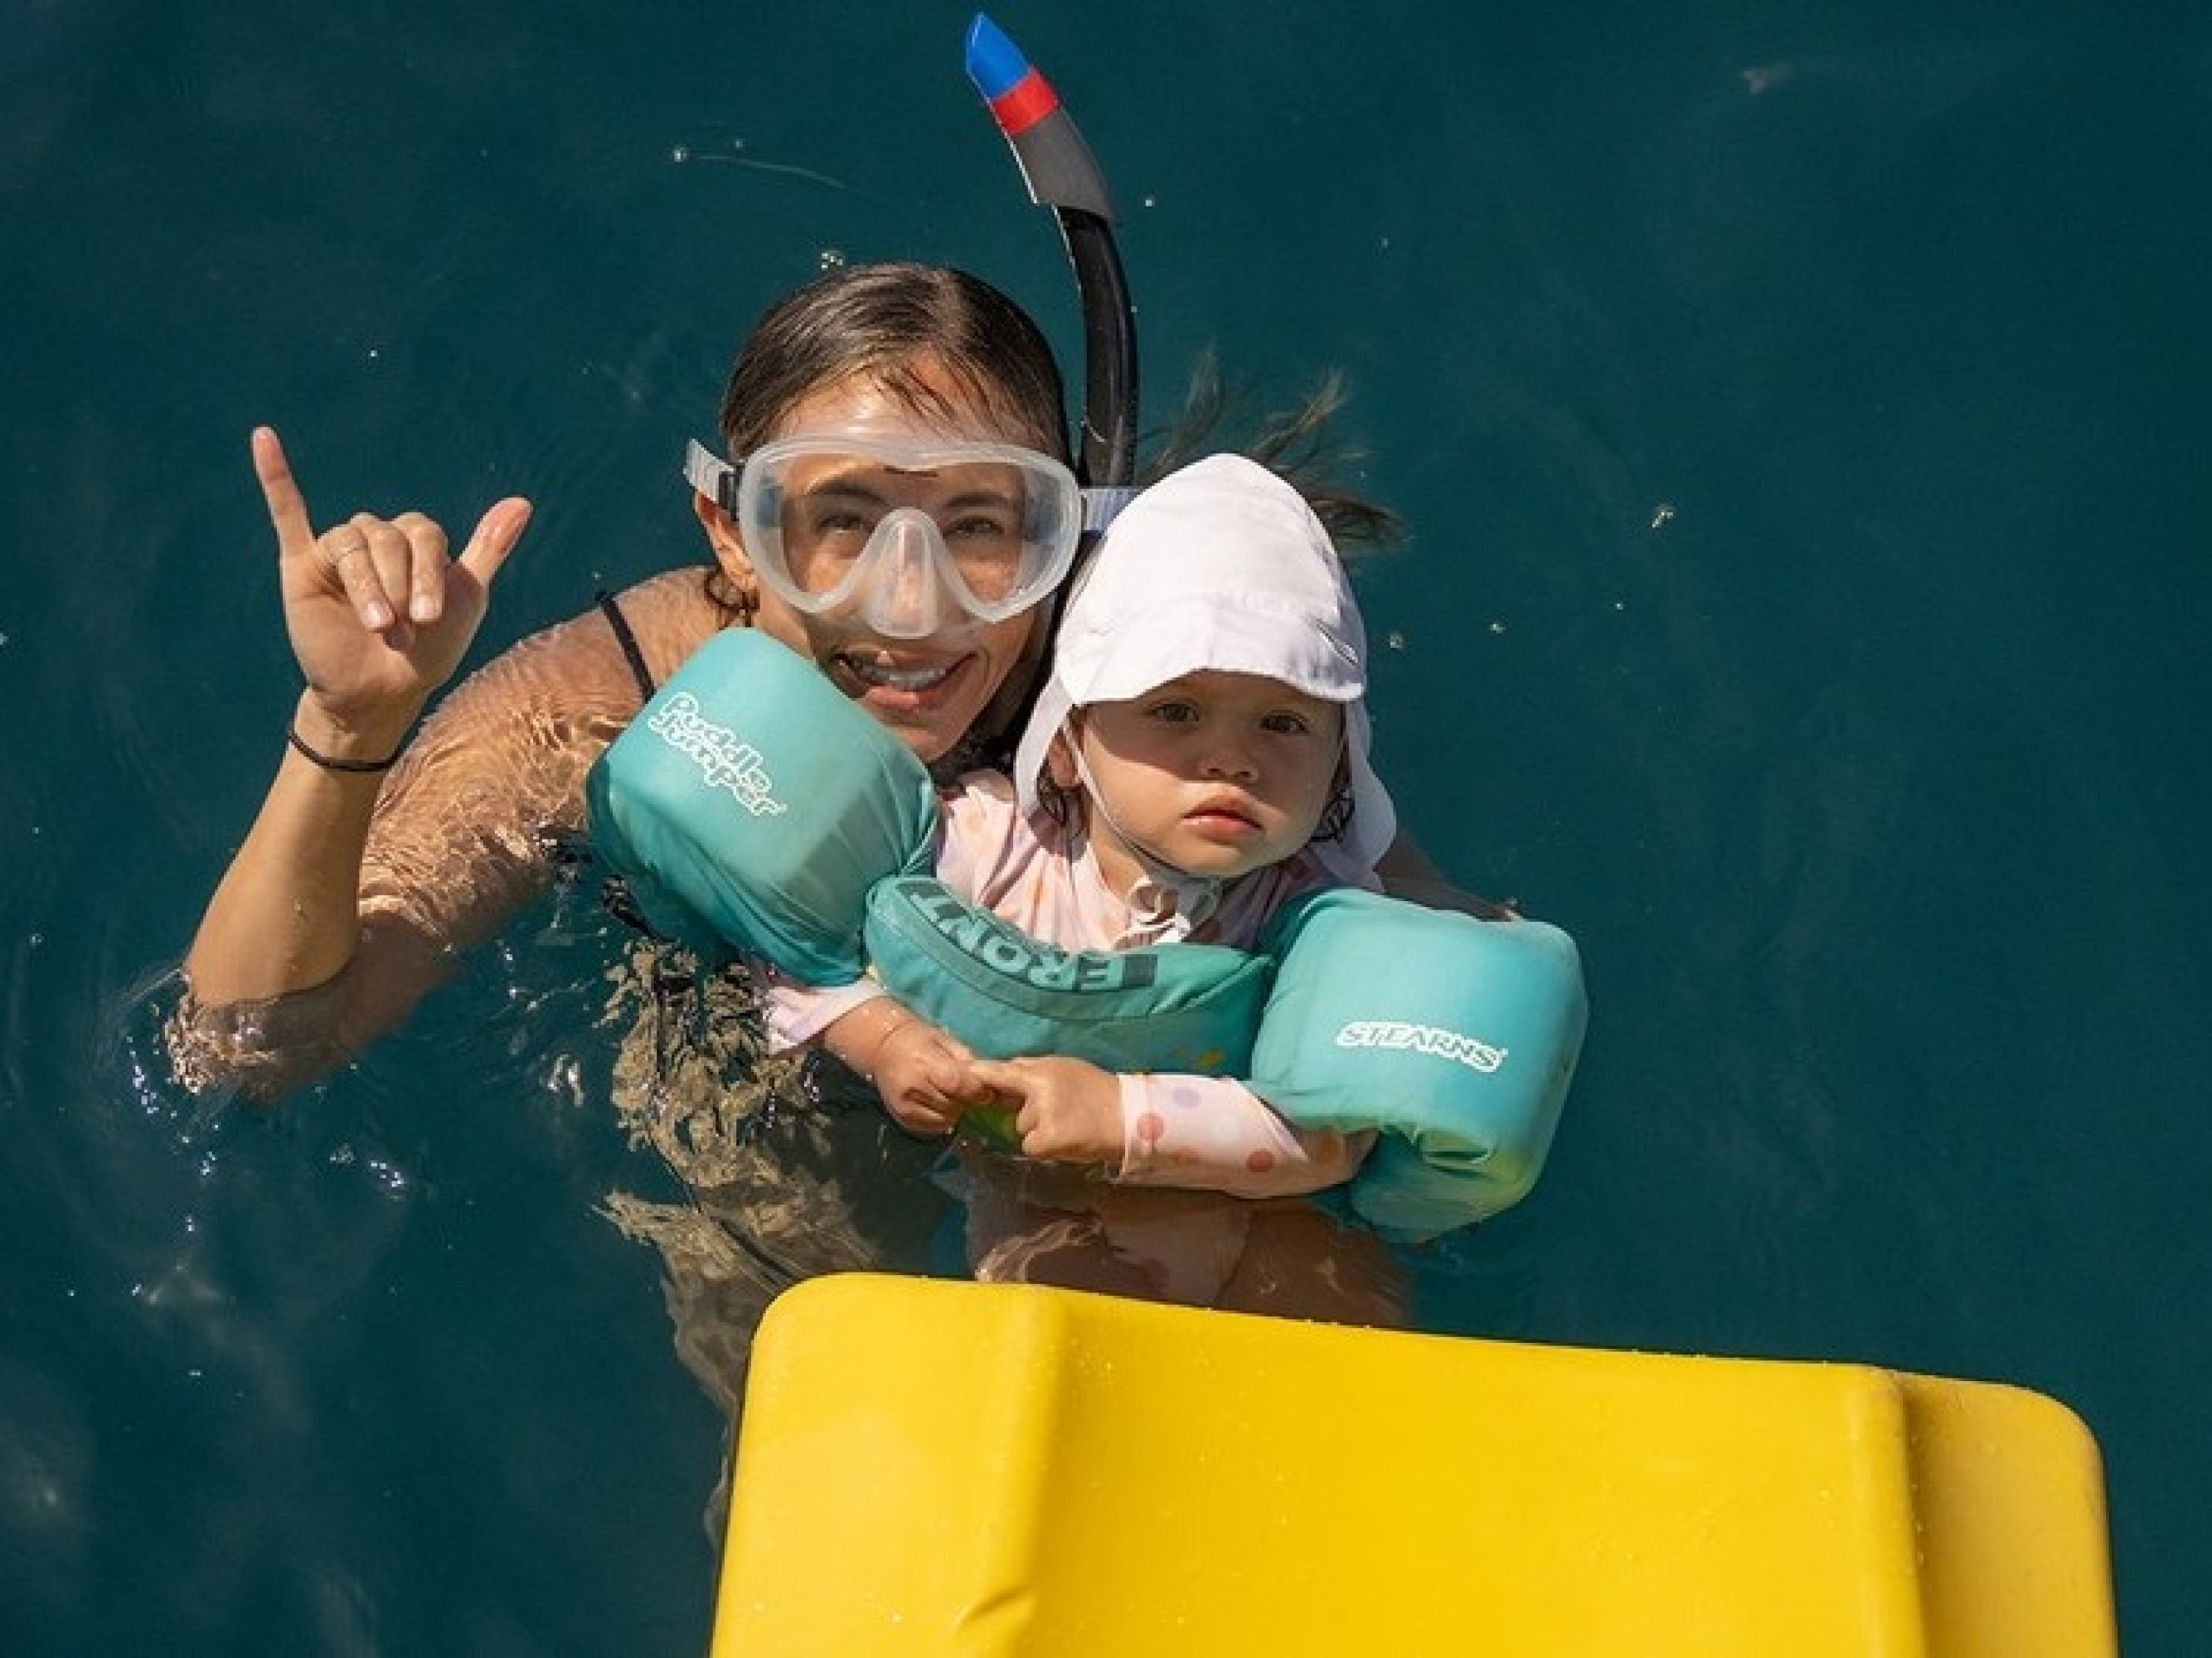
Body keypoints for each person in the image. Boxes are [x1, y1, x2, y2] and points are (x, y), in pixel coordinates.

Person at [167, 260, 1458, 1420]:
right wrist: (348, 726)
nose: (911, 608)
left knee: (1309, 1289)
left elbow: (1409, 964)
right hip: (768, 1075)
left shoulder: (1147, 675)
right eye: (837, 521)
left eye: (980, 524)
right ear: (730, 528)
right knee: (801, 1347)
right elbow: (249, 1048)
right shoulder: (610, 701)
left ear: (1061, 539)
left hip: (1124, 1073)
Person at [734, 453, 1399, 1310]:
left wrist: (1122, 1116)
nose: (1233, 756)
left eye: (1284, 721)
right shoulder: (985, 842)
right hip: (1033, 1224)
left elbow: (1338, 1133)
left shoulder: (1320, 919)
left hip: (1263, 1221)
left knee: (1339, 1289)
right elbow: (801, 943)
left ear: (1340, 761)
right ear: (1066, 740)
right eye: (1174, 709)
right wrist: (885, 1041)